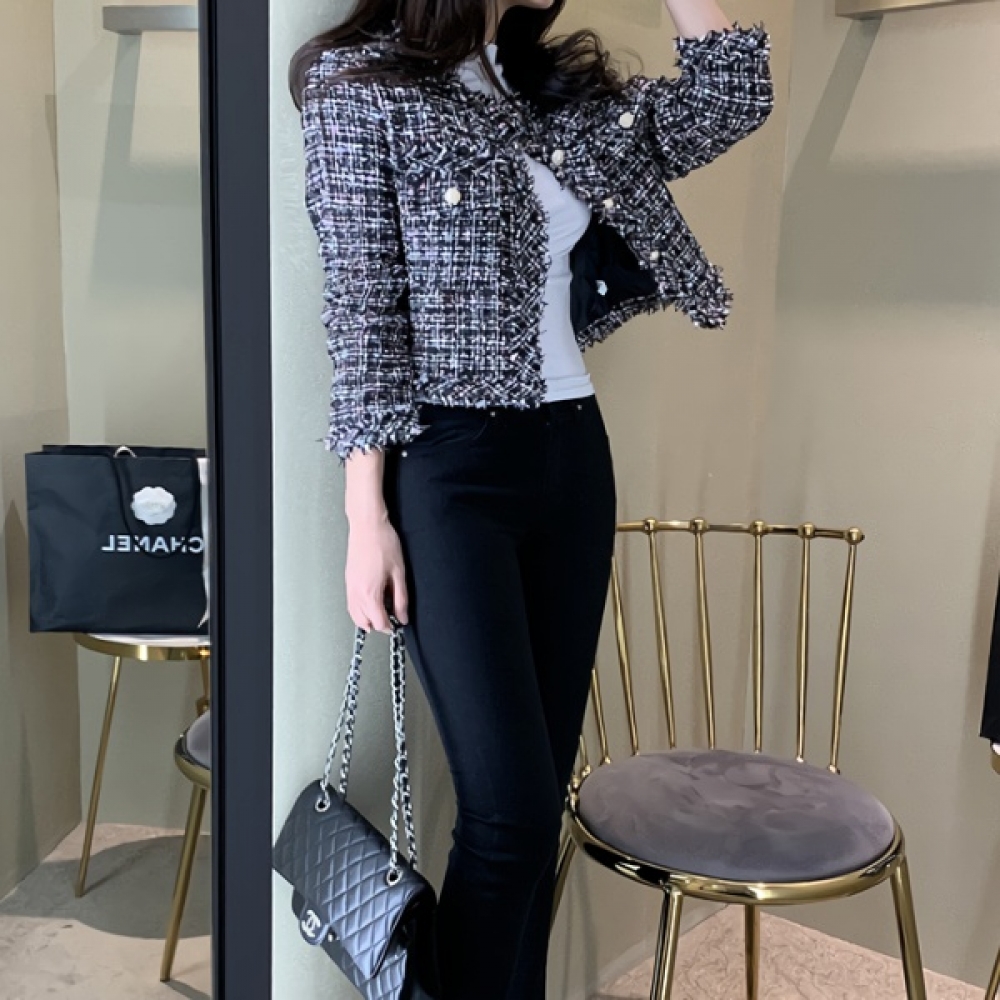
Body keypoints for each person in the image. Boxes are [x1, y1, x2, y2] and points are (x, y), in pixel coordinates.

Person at [288, 2, 773, 997]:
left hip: (571, 458)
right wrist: (365, 516)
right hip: (449, 467)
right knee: (505, 813)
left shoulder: (550, 88)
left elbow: (732, 94)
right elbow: (363, 309)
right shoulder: (359, 88)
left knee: (537, 803)